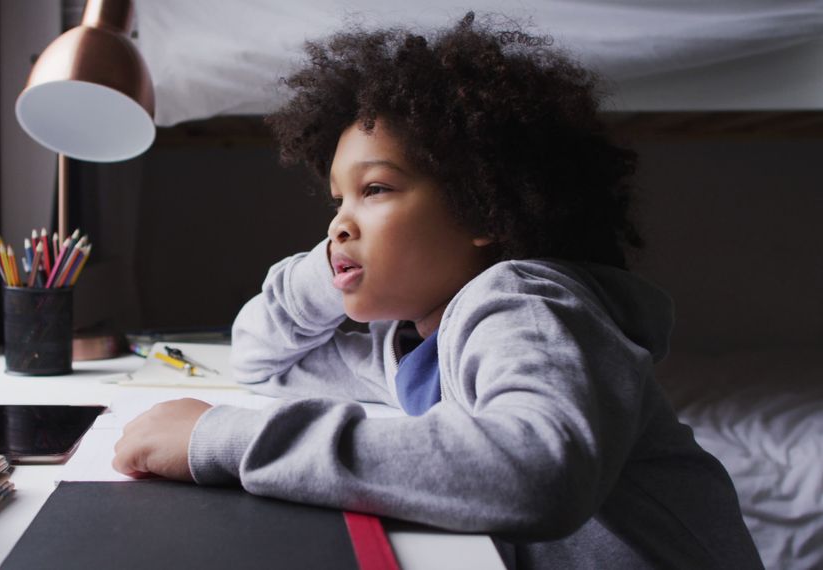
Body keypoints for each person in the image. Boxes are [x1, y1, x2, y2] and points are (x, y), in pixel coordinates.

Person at [113, 13, 762, 569]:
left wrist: (220, 441)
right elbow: (260, 358)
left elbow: (533, 471)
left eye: (375, 189)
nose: (338, 220)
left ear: (484, 209)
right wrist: (330, 261)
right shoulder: (406, 351)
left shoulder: (528, 304)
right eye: (336, 197)